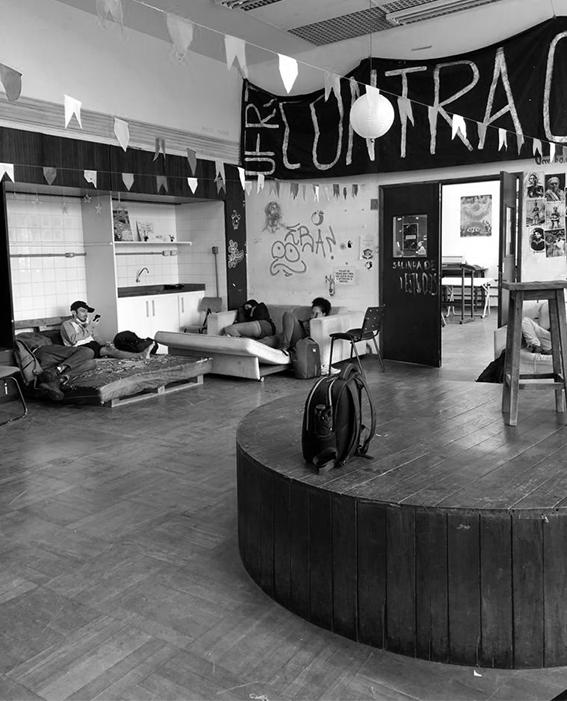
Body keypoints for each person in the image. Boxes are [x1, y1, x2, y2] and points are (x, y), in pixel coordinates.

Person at [60, 300, 153, 360]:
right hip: (80, 350)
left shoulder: (88, 323)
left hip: (92, 345)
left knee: (119, 340)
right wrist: (90, 327)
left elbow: (95, 337)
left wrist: (105, 343)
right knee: (110, 351)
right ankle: (140, 356)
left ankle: (143, 347)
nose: (86, 314)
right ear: (74, 312)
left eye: (86, 311)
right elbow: (73, 339)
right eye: (82, 311)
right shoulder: (67, 324)